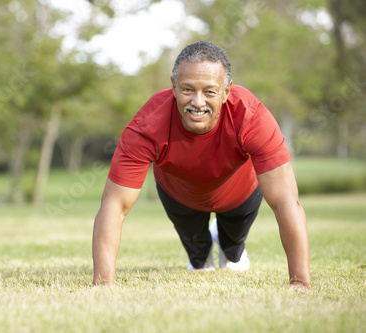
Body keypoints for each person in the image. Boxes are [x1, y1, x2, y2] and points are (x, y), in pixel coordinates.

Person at [92, 41, 310, 289]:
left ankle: (233, 250)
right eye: (187, 89)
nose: (197, 102)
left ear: (227, 91)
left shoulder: (251, 117)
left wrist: (300, 282)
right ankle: (201, 253)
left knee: (233, 249)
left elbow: (285, 200)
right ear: (173, 87)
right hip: (179, 195)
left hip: (240, 193)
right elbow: (114, 204)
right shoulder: (147, 125)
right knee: (198, 258)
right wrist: (103, 285)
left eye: (209, 91)